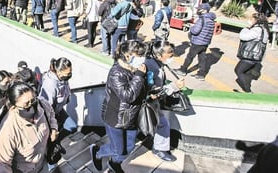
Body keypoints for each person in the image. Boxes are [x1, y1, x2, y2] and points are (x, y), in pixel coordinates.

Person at [90, 40, 147, 173]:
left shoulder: (135, 69)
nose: (142, 58)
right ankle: (98, 152)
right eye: (139, 55)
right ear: (128, 56)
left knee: (130, 145)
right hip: (115, 117)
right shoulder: (117, 72)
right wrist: (139, 76)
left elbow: (140, 91)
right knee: (118, 149)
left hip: (131, 117)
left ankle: (114, 163)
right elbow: (127, 96)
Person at [0, 81, 58, 173]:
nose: (32, 105)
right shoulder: (8, 129)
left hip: (43, 165)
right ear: (14, 106)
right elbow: (2, 164)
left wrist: (53, 128)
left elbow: (51, 113)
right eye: (26, 104)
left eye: (33, 100)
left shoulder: (42, 104)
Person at [144, 40, 185, 162]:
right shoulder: (152, 67)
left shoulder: (156, 63)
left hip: (153, 103)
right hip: (148, 103)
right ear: (158, 55)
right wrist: (174, 86)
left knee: (161, 123)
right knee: (163, 124)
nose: (172, 57)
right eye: (170, 55)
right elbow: (153, 91)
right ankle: (159, 149)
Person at [174, 3, 216, 81]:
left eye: (199, 9)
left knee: (190, 56)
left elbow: (195, 31)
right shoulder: (211, 20)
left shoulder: (202, 19)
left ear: (204, 10)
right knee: (202, 58)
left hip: (198, 42)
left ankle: (183, 70)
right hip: (205, 43)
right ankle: (201, 74)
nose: (198, 10)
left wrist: (192, 28)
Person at [39, 57, 77, 142]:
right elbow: (47, 108)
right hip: (49, 113)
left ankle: (58, 141)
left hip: (58, 110)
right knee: (53, 135)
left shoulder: (63, 78)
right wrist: (53, 126)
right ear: (59, 72)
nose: (70, 74)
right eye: (68, 73)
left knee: (72, 127)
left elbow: (66, 88)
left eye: (71, 71)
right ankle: (54, 143)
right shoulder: (50, 84)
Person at [234, 13, 269, 93]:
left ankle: (247, 90)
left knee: (238, 70)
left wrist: (246, 28)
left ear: (256, 20)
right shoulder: (265, 29)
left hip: (250, 56)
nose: (250, 20)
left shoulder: (257, 30)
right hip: (257, 56)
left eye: (252, 19)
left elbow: (243, 37)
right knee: (246, 73)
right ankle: (245, 88)